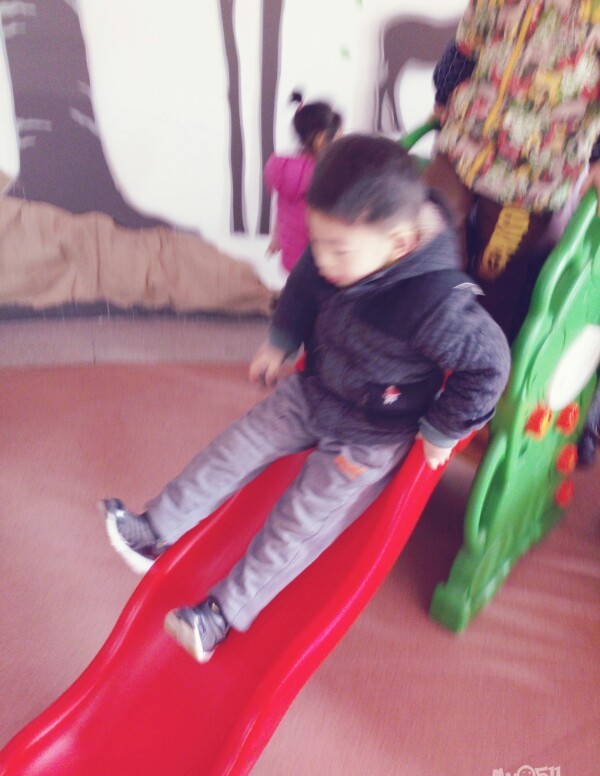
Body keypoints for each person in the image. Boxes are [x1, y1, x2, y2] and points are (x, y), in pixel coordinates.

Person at [100, 134, 511, 664]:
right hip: (315, 388)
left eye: (338, 250)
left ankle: (220, 615)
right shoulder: (338, 251)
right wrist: (281, 340)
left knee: (299, 520)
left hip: (370, 434)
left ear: (400, 245)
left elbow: (489, 365)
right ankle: (154, 531)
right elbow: (303, 285)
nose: (322, 258)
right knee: (236, 446)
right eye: (318, 241)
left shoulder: (436, 303)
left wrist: (443, 429)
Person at [425, 0, 600, 342]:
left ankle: (481, 348)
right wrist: (443, 94)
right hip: (464, 140)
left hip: (533, 174)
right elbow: (466, 45)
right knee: (429, 221)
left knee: (497, 273)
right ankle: (440, 317)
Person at [264, 91, 342, 273]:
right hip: (316, 259)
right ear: (321, 139)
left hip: (292, 256)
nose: (341, 142)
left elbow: (282, 208)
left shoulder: (285, 168)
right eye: (339, 136)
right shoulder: (323, 173)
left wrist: (276, 238)